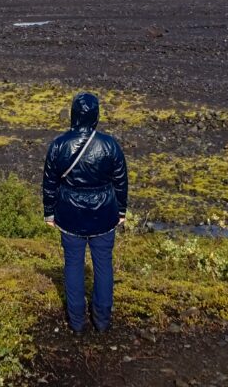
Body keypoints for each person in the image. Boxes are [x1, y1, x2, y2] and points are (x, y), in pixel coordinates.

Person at [42, 91, 128, 334]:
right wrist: (121, 210)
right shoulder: (110, 145)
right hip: (104, 213)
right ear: (96, 115)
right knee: (103, 266)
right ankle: (102, 321)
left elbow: (49, 183)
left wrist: (50, 213)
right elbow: (121, 181)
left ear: (73, 114)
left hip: (70, 213)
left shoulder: (58, 145)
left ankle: (77, 322)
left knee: (73, 265)